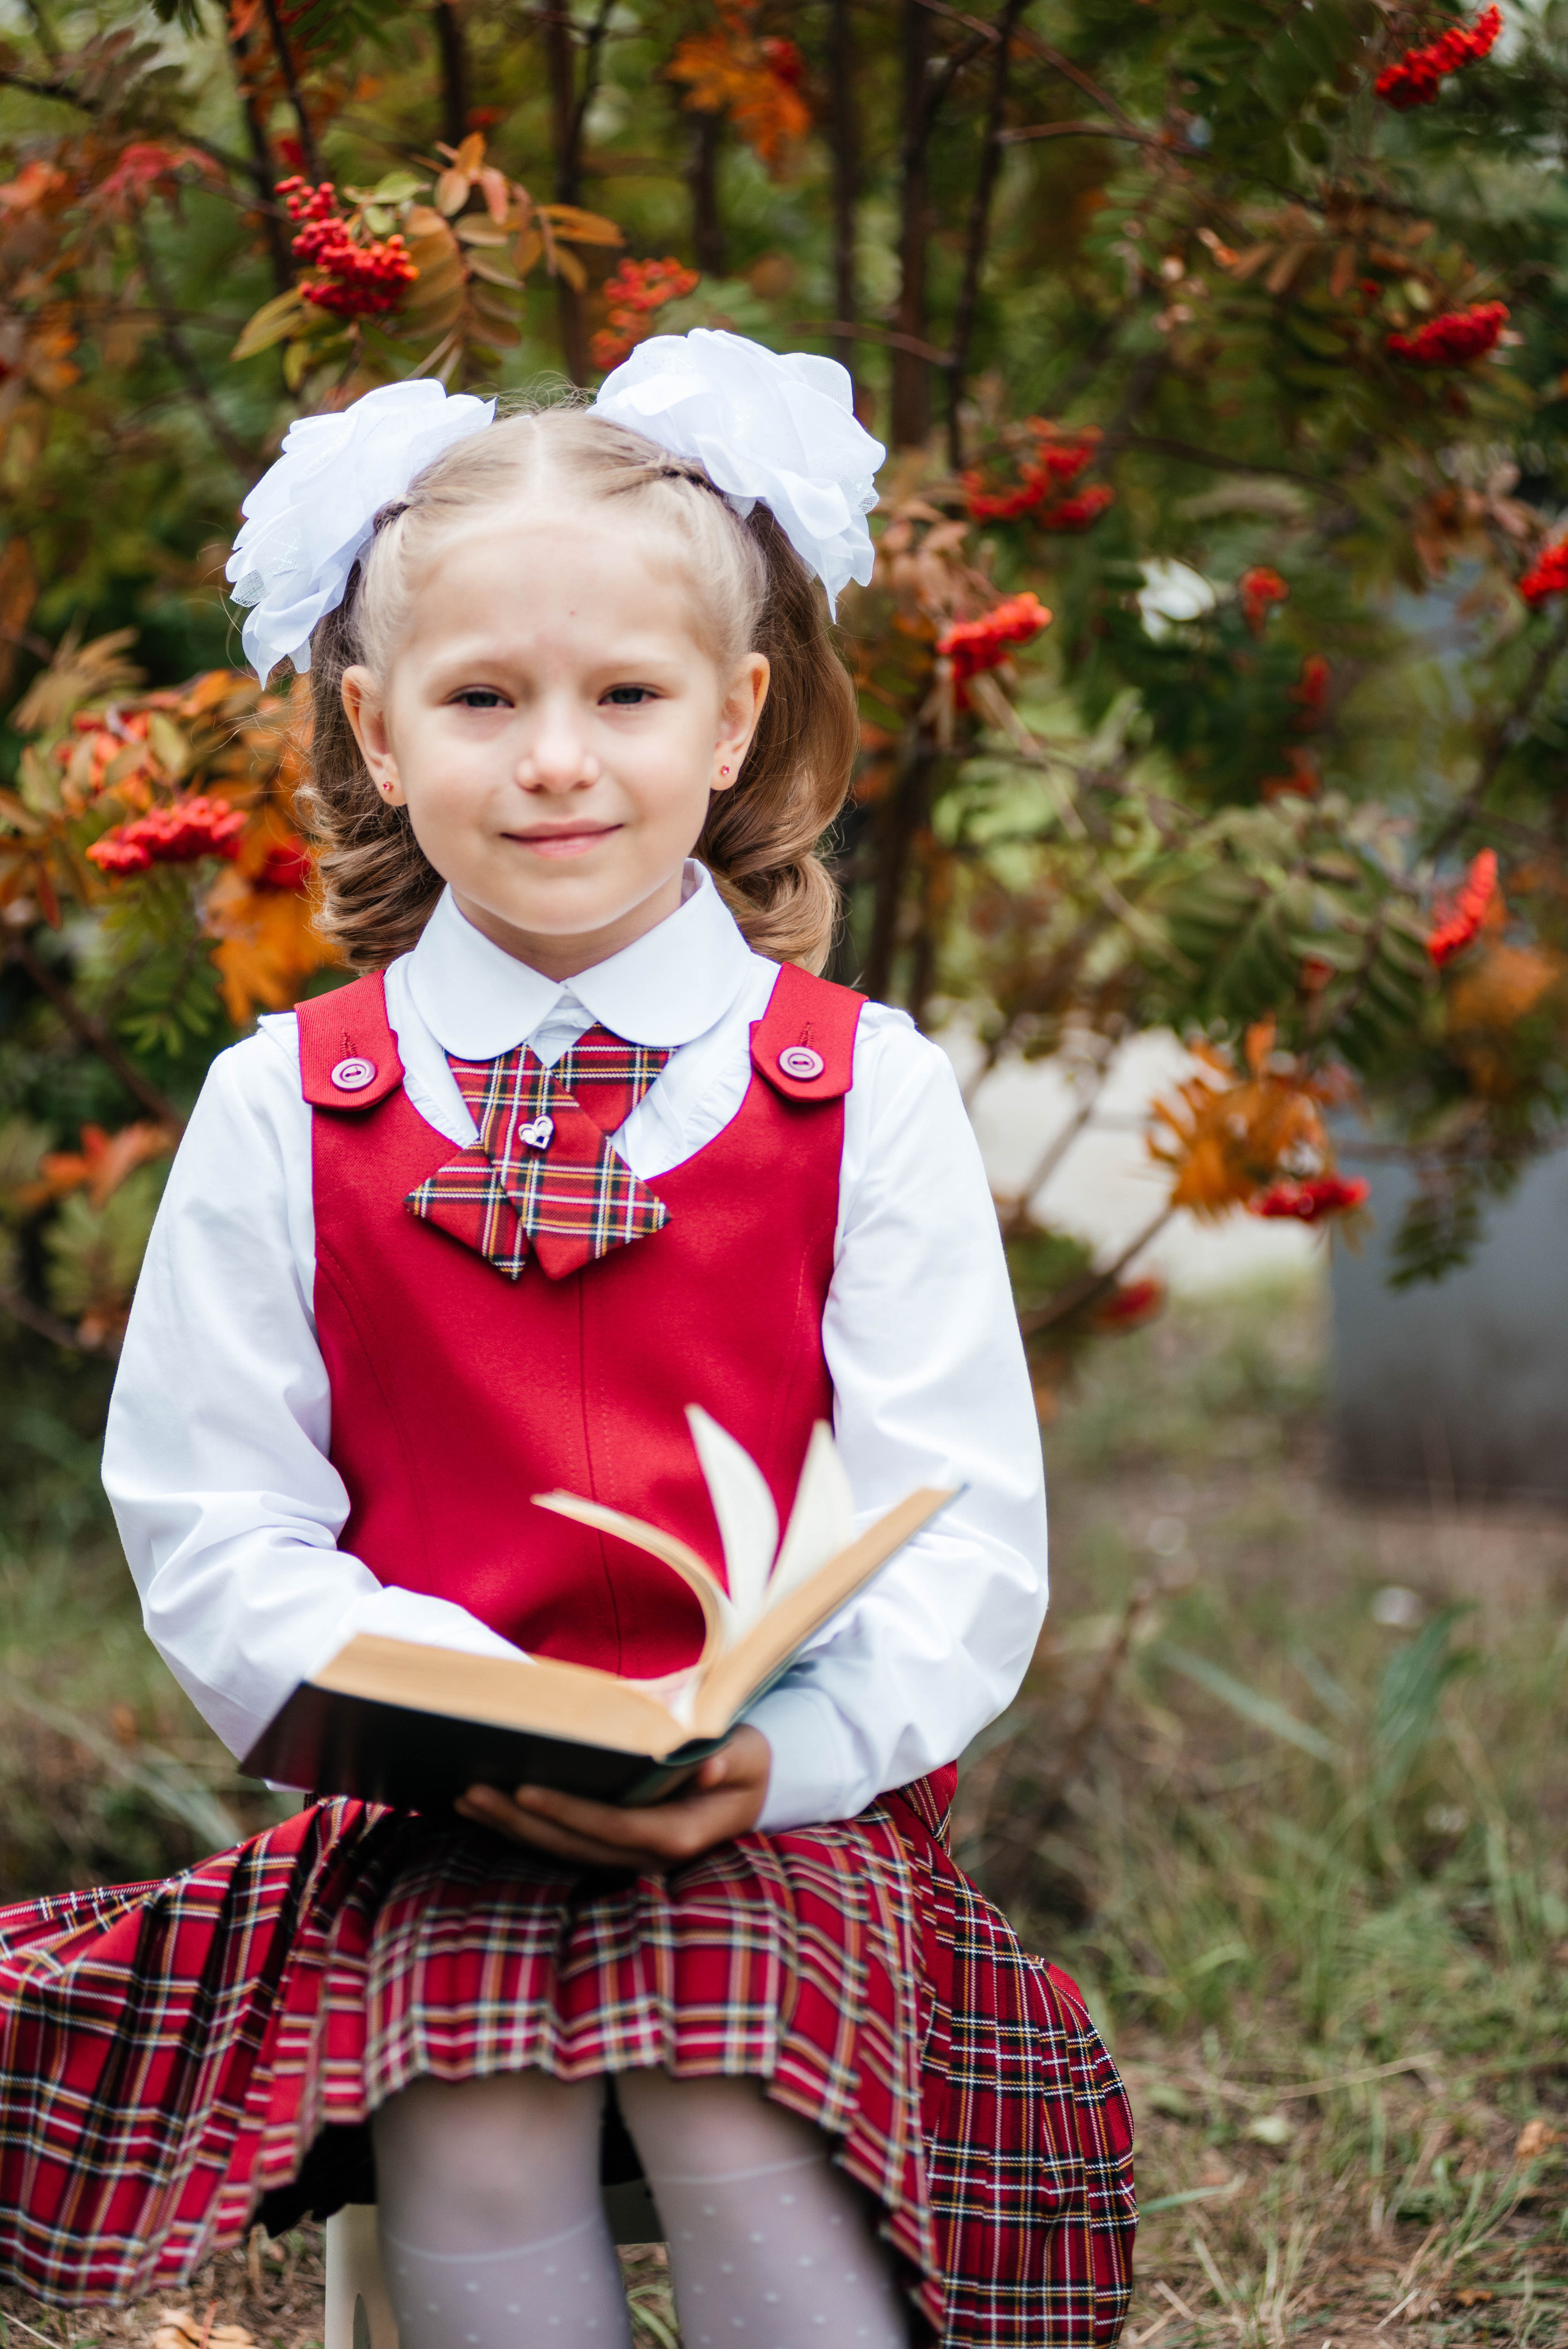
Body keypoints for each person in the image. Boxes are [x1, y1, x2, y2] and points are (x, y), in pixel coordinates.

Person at [0, 332, 1134, 2348]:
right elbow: (213, 1513)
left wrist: (789, 1750)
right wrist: (430, 1701)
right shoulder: (292, 1105)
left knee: (727, 2073)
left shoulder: (857, 1089)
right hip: (445, 1816)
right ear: (372, 722)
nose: (555, 758)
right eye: (482, 699)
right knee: (475, 2100)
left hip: (792, 1806)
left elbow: (955, 1526)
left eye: (626, 695)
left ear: (733, 718)